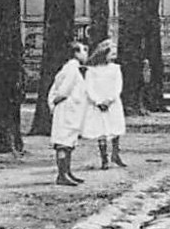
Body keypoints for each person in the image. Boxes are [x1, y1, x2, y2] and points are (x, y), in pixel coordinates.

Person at [47, 42, 90, 186]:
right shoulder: (71, 69)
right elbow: (63, 91)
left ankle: (67, 171)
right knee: (63, 142)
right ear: (76, 53)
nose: (86, 55)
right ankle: (62, 174)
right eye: (84, 51)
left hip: (71, 110)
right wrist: (57, 102)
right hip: (66, 110)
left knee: (69, 141)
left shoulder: (72, 68)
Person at [81, 40, 127, 169]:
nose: (114, 56)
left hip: (112, 102)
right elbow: (89, 87)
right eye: (111, 53)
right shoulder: (92, 70)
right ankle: (104, 158)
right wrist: (98, 101)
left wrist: (110, 99)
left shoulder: (115, 69)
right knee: (101, 130)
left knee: (115, 128)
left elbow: (118, 86)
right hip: (98, 104)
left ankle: (116, 154)